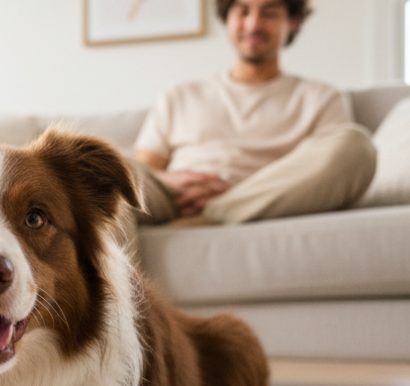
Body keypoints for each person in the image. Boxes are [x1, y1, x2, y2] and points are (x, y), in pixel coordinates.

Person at [132, 0, 377, 226]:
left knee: (356, 145)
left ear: (293, 22)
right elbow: (144, 169)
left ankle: (216, 214)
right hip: (172, 199)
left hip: (258, 203)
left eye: (269, 13)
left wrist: (240, 194)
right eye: (242, 11)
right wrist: (169, 182)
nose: (253, 24)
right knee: (103, 168)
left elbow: (331, 176)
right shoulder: (179, 94)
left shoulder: (321, 98)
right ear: (227, 18)